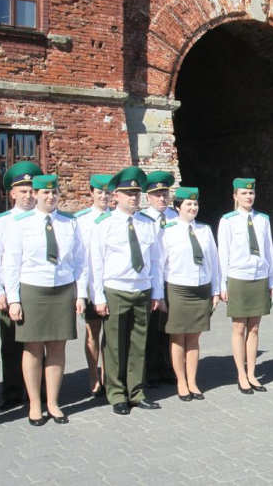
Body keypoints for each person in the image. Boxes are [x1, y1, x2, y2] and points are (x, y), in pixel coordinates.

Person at [3, 175, 88, 425]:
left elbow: (79, 261)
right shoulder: (20, 224)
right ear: (36, 195)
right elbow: (11, 263)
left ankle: (53, 401)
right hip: (33, 289)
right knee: (33, 348)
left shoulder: (69, 223)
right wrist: (14, 299)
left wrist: (80, 293)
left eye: (54, 193)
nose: (50, 197)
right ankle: (34, 403)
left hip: (62, 289)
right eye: (44, 193)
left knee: (57, 347)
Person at [90, 166, 165, 415]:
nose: (133, 197)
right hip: (116, 289)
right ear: (116, 196)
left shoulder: (148, 223)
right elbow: (96, 262)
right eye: (128, 193)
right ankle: (117, 393)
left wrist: (157, 293)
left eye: (136, 193)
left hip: (142, 289)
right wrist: (98, 297)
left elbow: (156, 260)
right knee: (114, 344)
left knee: (138, 343)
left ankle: (136, 391)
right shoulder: (104, 223)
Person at [160, 187, 220, 401]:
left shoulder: (205, 230)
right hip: (178, 289)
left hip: (201, 289)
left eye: (195, 204)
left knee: (194, 337)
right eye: (188, 204)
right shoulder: (168, 230)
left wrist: (216, 289)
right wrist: (159, 295)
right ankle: (181, 382)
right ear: (178, 208)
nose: (193, 208)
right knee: (178, 336)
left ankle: (192, 381)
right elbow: (159, 265)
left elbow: (214, 262)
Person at [217, 178, 273, 394]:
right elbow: (223, 254)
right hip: (238, 277)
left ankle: (252, 373)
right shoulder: (228, 221)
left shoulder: (263, 220)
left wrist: (271, 279)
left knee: (255, 327)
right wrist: (222, 284)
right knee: (239, 327)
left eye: (251, 193)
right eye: (243, 193)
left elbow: (269, 250)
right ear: (235, 196)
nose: (248, 197)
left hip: (259, 276)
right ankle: (241, 375)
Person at [0, 160, 43, 411]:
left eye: (31, 191)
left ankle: (39, 390)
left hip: (38, 291)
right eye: (22, 191)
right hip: (10, 292)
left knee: (39, 342)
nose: (28, 195)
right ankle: (13, 392)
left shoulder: (43, 219)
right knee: (12, 343)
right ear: (12, 193)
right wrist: (0, 292)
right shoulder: (3, 221)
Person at [74, 173, 113, 397]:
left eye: (108, 193)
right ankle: (92, 375)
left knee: (111, 334)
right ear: (91, 193)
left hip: (112, 284)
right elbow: (79, 257)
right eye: (100, 192)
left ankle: (108, 375)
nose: (104, 196)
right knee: (93, 332)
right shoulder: (81, 220)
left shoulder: (117, 218)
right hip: (90, 285)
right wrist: (81, 292)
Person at [139, 171, 178, 388]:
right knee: (152, 327)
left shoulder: (176, 216)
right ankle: (151, 370)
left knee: (170, 326)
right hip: (152, 278)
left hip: (172, 278)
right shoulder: (143, 219)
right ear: (148, 197)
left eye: (164, 193)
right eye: (157, 194)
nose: (161, 198)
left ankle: (170, 368)